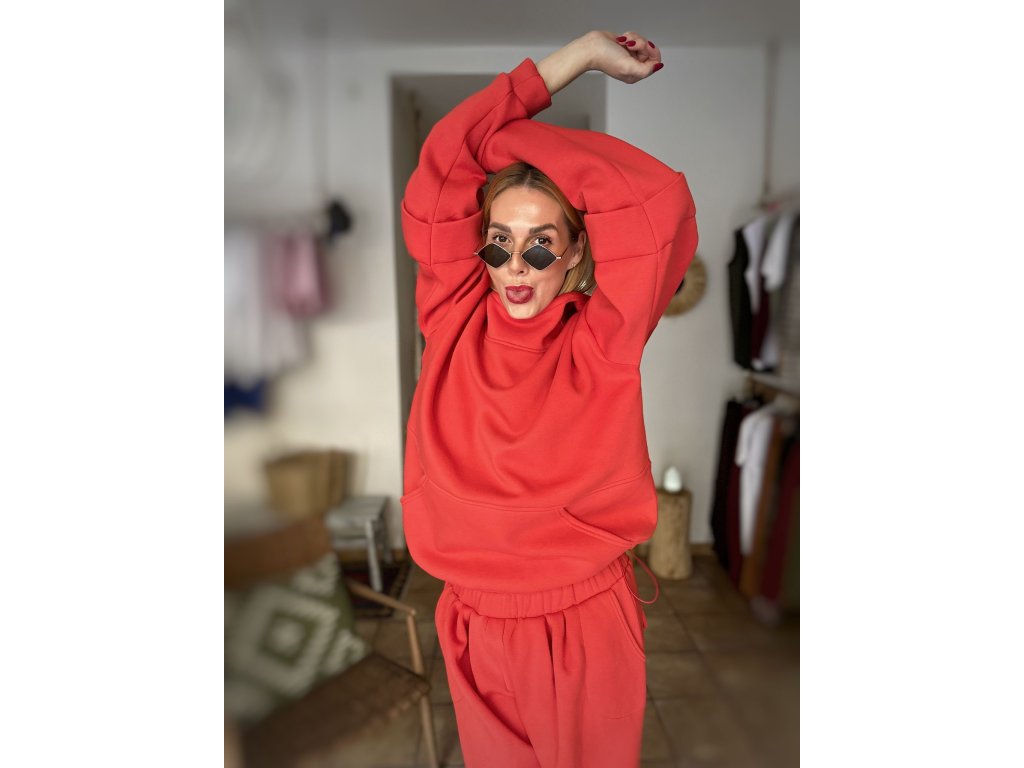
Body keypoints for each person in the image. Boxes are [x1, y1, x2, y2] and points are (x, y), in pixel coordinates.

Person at [400, 29, 698, 767]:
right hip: (470, 613)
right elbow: (446, 163)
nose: (515, 265)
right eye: (498, 242)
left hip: (578, 619)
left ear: (576, 249)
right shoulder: (451, 315)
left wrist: (515, 144)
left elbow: (656, 206)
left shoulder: (603, 339)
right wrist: (581, 55)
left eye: (540, 243)